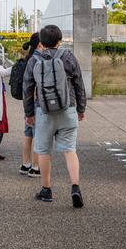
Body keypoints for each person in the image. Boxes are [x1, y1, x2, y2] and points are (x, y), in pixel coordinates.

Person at [23, 25, 86, 207]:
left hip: (43, 111)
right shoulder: (68, 57)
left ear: (41, 42)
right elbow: (79, 84)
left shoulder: (34, 60)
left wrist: (28, 113)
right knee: (69, 149)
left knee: (43, 150)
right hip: (68, 109)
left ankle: (46, 189)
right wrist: (81, 108)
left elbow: (27, 88)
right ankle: (75, 187)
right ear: (60, 41)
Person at [13, 33, 41, 177]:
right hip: (36, 103)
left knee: (28, 133)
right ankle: (36, 167)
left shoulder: (28, 59)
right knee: (38, 134)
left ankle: (25, 164)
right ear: (40, 44)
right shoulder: (38, 60)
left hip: (27, 102)